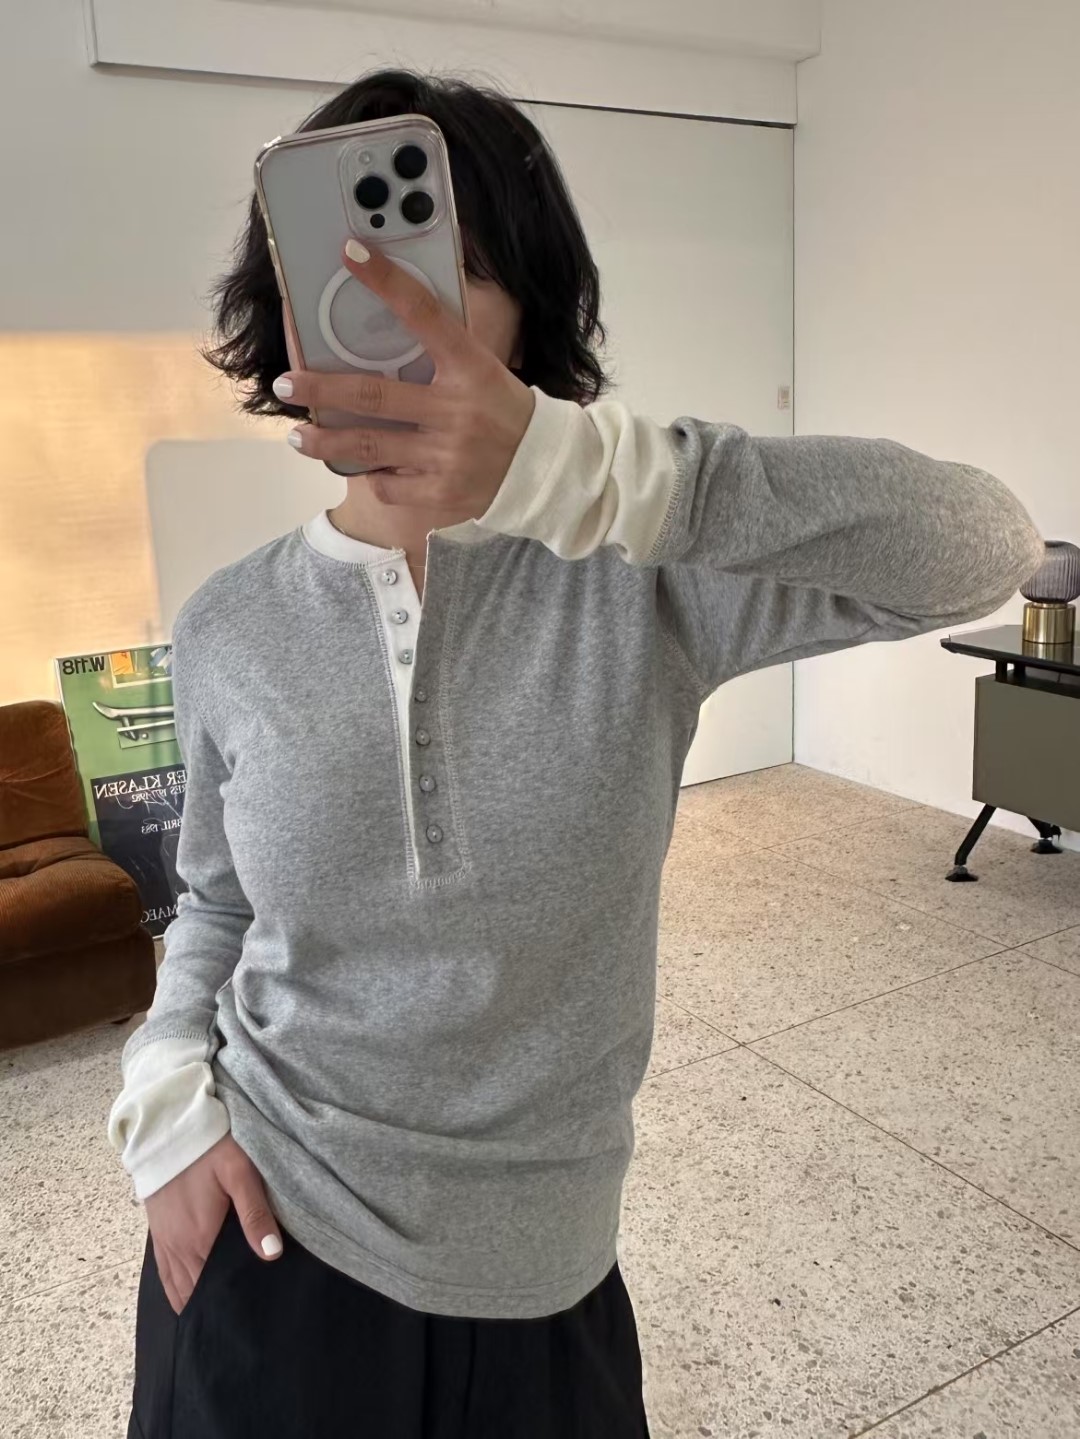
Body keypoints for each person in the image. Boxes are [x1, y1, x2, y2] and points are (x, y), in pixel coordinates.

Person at [107, 68, 1044, 1439]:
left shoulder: (638, 581)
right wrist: (162, 1096)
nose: (387, 303)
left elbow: (983, 547)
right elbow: (215, 904)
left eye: (447, 262)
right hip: (261, 1245)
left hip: (541, 1287)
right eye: (332, 266)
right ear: (282, 313)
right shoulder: (230, 624)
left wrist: (592, 473)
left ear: (528, 310)